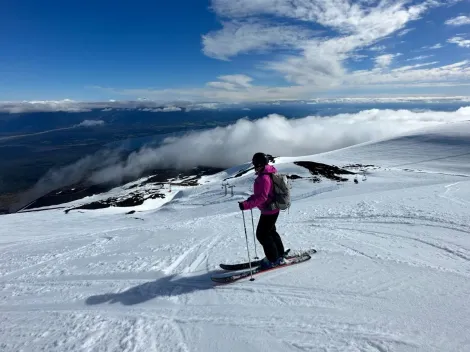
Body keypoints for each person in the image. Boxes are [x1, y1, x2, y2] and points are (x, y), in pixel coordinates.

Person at [238, 152, 287, 269]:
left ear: (260, 164)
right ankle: (279, 254)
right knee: (270, 232)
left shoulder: (264, 177)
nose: (254, 166)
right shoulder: (265, 174)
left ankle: (274, 259)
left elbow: (262, 197)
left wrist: (247, 205)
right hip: (270, 209)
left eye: (256, 164)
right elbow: (259, 195)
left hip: (270, 210)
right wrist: (248, 201)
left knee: (262, 234)